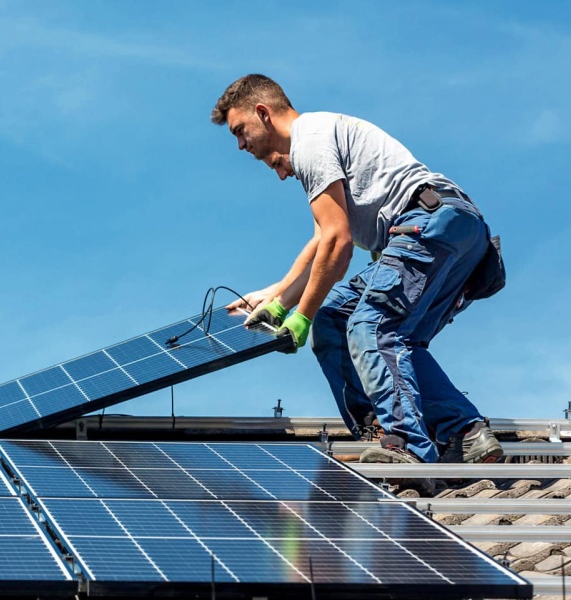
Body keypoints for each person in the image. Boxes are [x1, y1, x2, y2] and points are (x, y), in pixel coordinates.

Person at [212, 74, 503, 474]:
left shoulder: (308, 140)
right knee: (340, 320)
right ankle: (464, 432)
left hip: (424, 225)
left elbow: (339, 244)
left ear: (262, 113)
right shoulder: (322, 138)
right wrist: (277, 297)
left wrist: (299, 318)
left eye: (240, 132)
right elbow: (321, 242)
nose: (241, 145)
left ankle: (405, 445)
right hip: (454, 228)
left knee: (371, 327)